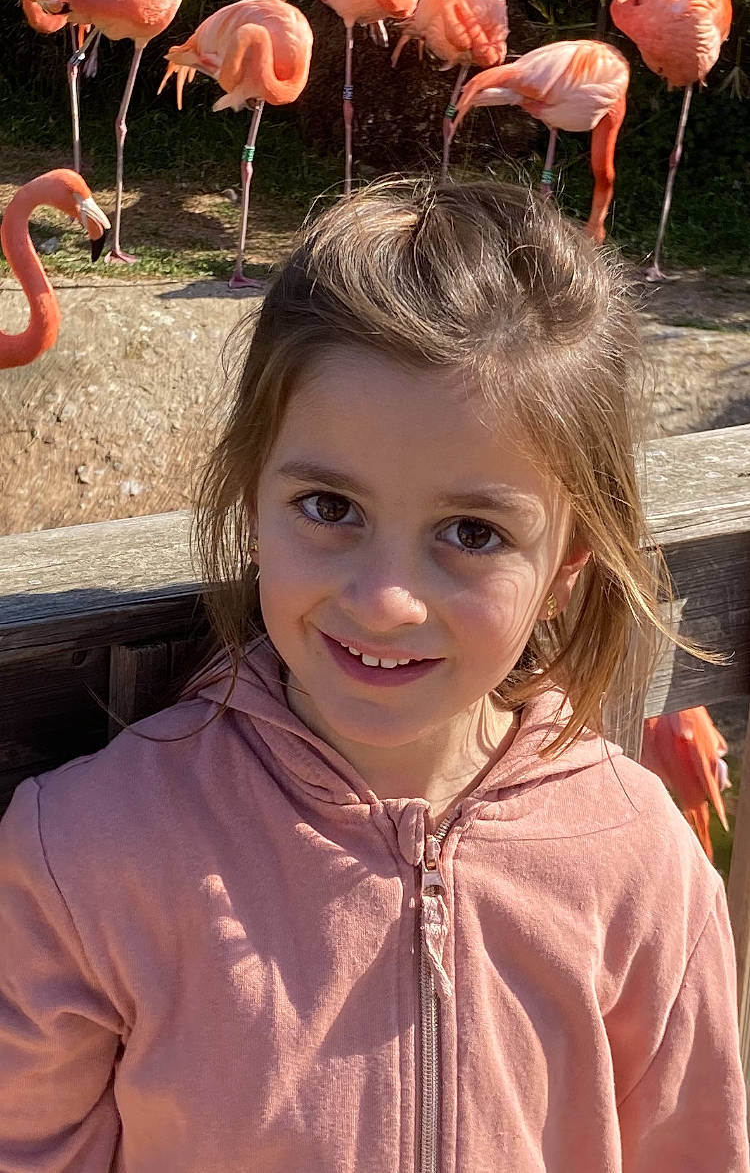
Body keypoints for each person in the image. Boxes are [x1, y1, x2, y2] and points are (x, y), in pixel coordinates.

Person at [0, 178, 747, 1172]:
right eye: (329, 507)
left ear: (567, 568)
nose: (387, 600)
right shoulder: (83, 857)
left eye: (472, 532)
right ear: (253, 504)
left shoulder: (642, 862)